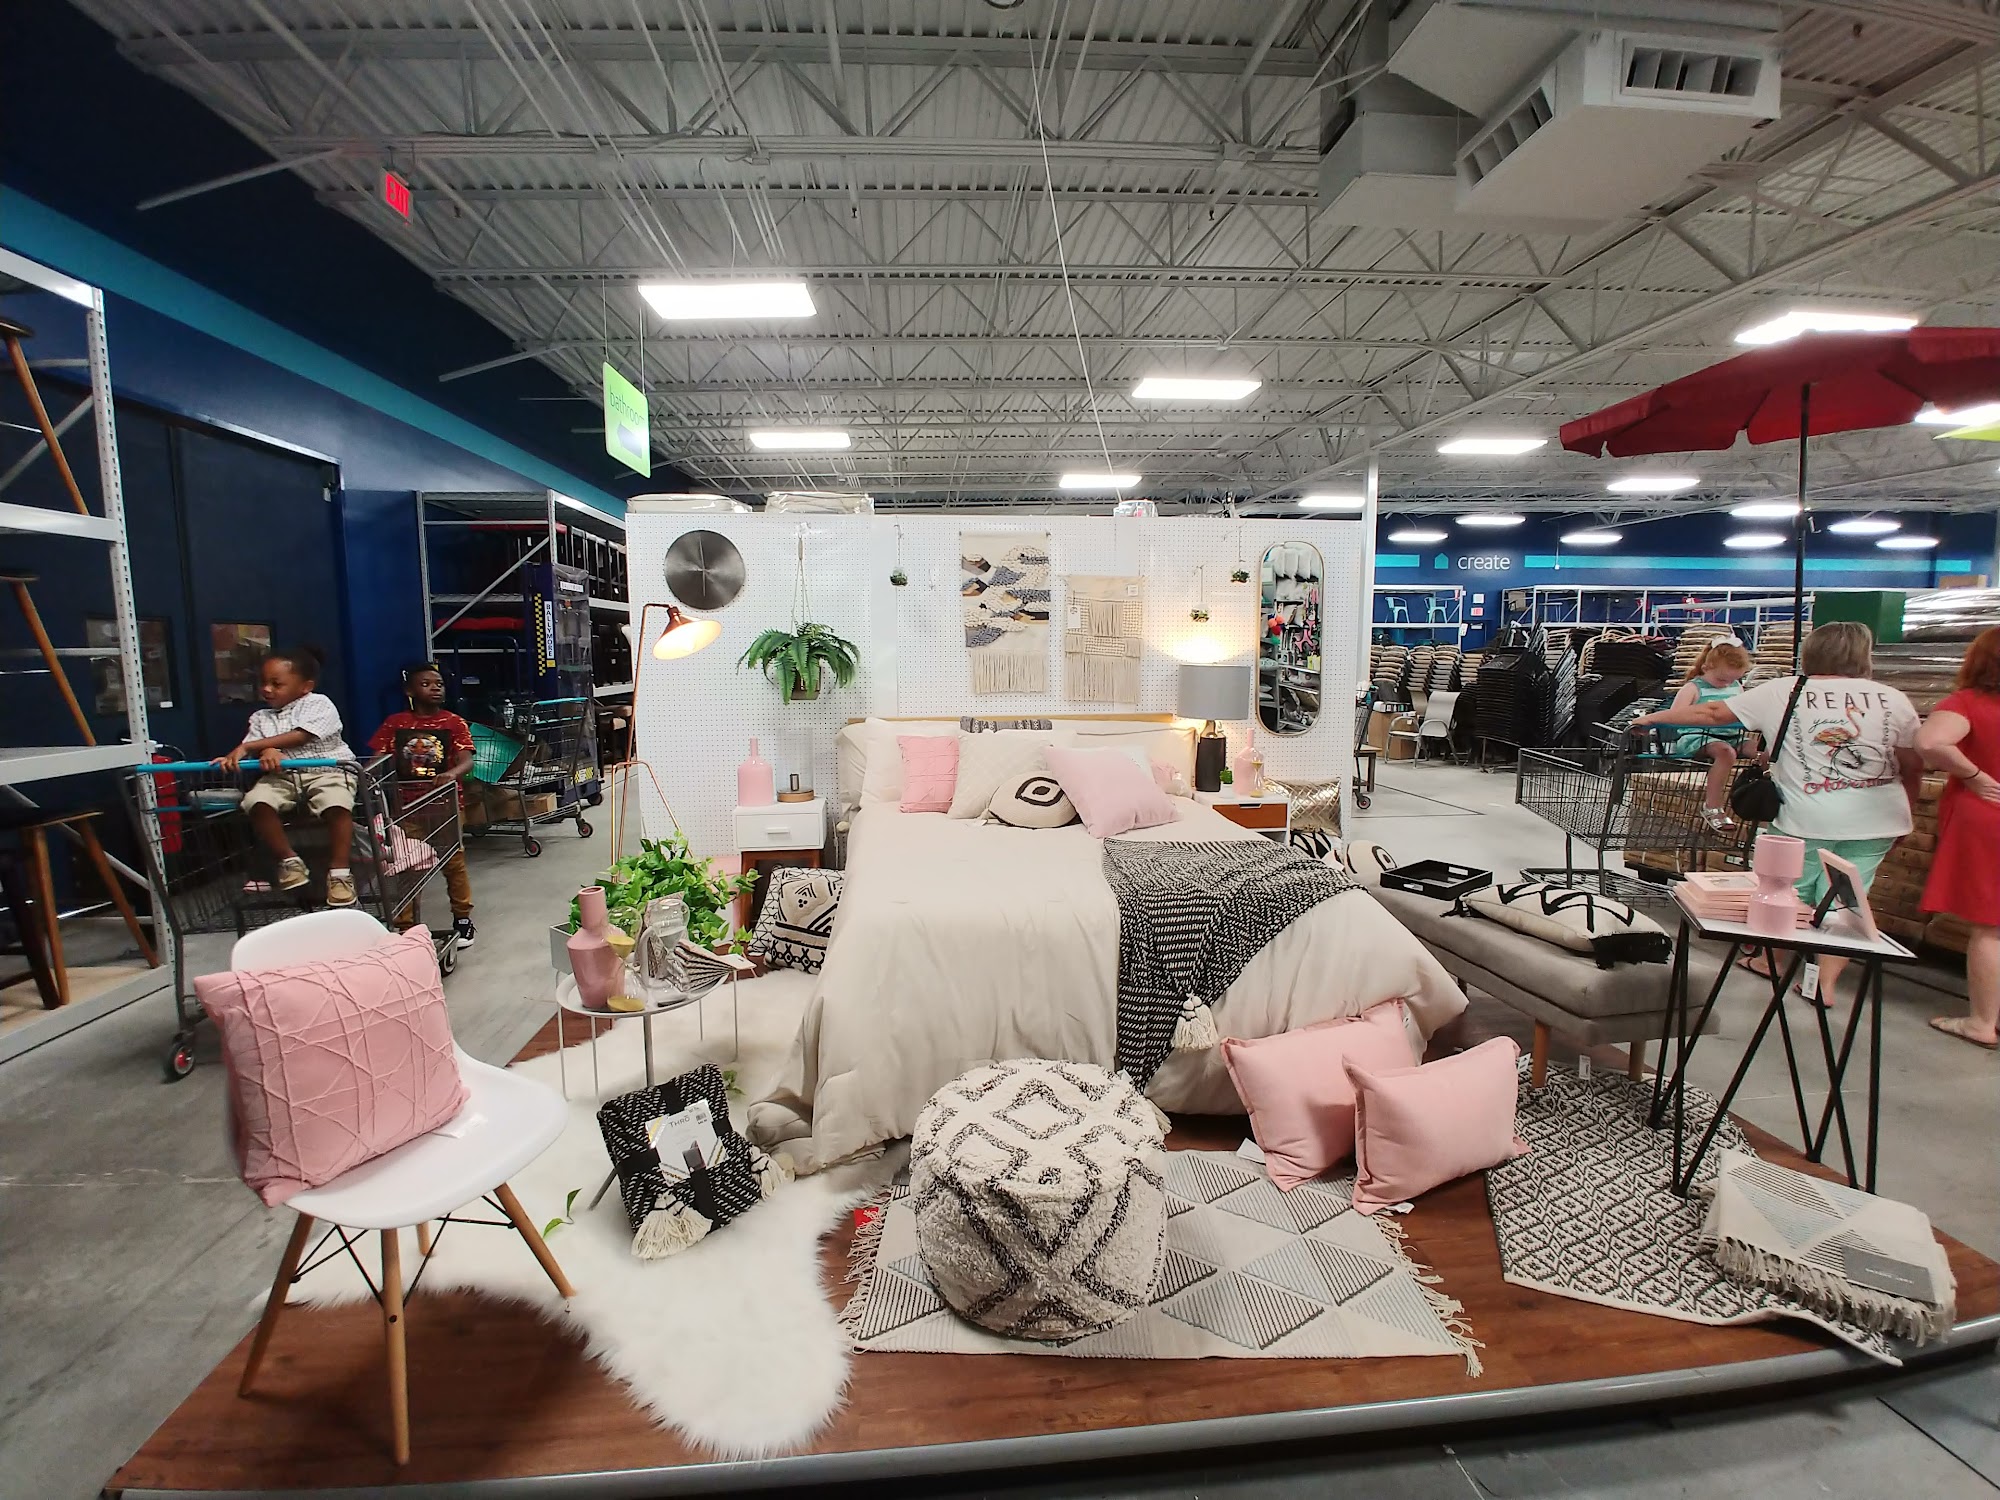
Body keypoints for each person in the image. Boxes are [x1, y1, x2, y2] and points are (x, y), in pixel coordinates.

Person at [1632, 621, 1923, 1008]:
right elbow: (1911, 765)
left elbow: (1714, 714)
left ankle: (1773, 962)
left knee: (1788, 890)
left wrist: (1654, 718)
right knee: (1848, 899)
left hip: (1807, 816)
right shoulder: (1893, 699)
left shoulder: (1786, 690)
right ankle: (1825, 984)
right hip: (1877, 817)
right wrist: (1907, 813)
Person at [218, 646, 358, 907]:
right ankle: (289, 860)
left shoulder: (318, 703)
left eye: (276, 684)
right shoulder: (260, 717)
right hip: (282, 776)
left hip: (326, 771)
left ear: (306, 686)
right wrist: (262, 752)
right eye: (263, 682)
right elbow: (258, 748)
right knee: (255, 802)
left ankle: (340, 872)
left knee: (337, 803)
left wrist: (255, 746)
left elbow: (302, 736)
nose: (267, 689)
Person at [1917, 625, 2000, 1049]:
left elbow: (1930, 742)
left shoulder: (1969, 703)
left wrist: (1974, 775)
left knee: (1990, 926)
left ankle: (1982, 1021)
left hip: (1989, 816)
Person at [369, 663, 478, 948]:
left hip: (446, 805)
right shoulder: (395, 723)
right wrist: (366, 774)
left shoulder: (454, 722)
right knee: (407, 864)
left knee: (453, 862)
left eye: (439, 684)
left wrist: (451, 774)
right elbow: (378, 758)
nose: (435, 688)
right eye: (426, 684)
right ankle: (405, 925)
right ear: (410, 691)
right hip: (406, 806)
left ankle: (462, 918)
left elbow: (467, 760)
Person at [1662, 638, 1752, 831]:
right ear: (1706, 667)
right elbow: (1674, 716)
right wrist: (1705, 717)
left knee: (1764, 750)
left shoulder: (1736, 687)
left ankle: (1763, 799)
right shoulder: (1693, 688)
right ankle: (1712, 806)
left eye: (1732, 680)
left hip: (1733, 735)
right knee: (1725, 753)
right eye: (1721, 680)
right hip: (1695, 737)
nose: (1726, 684)